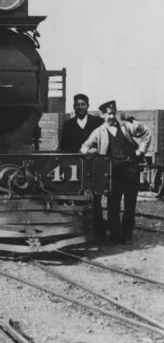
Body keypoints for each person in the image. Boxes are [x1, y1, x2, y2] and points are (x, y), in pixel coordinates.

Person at [81, 100, 151, 244]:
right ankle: (115, 234)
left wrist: (140, 151)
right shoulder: (99, 132)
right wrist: (91, 150)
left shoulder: (126, 126)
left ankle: (127, 235)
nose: (112, 116)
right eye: (108, 114)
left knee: (130, 206)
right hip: (113, 173)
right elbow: (83, 148)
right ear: (102, 115)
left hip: (131, 171)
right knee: (113, 206)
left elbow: (147, 133)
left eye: (113, 113)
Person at [59, 93, 106, 241]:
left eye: (82, 104)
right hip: (75, 169)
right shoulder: (68, 125)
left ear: (87, 106)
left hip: (93, 167)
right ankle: (79, 232)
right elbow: (63, 148)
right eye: (77, 105)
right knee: (77, 200)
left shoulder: (98, 122)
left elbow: (104, 143)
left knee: (96, 200)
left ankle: (98, 233)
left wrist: (96, 150)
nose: (80, 107)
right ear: (74, 107)